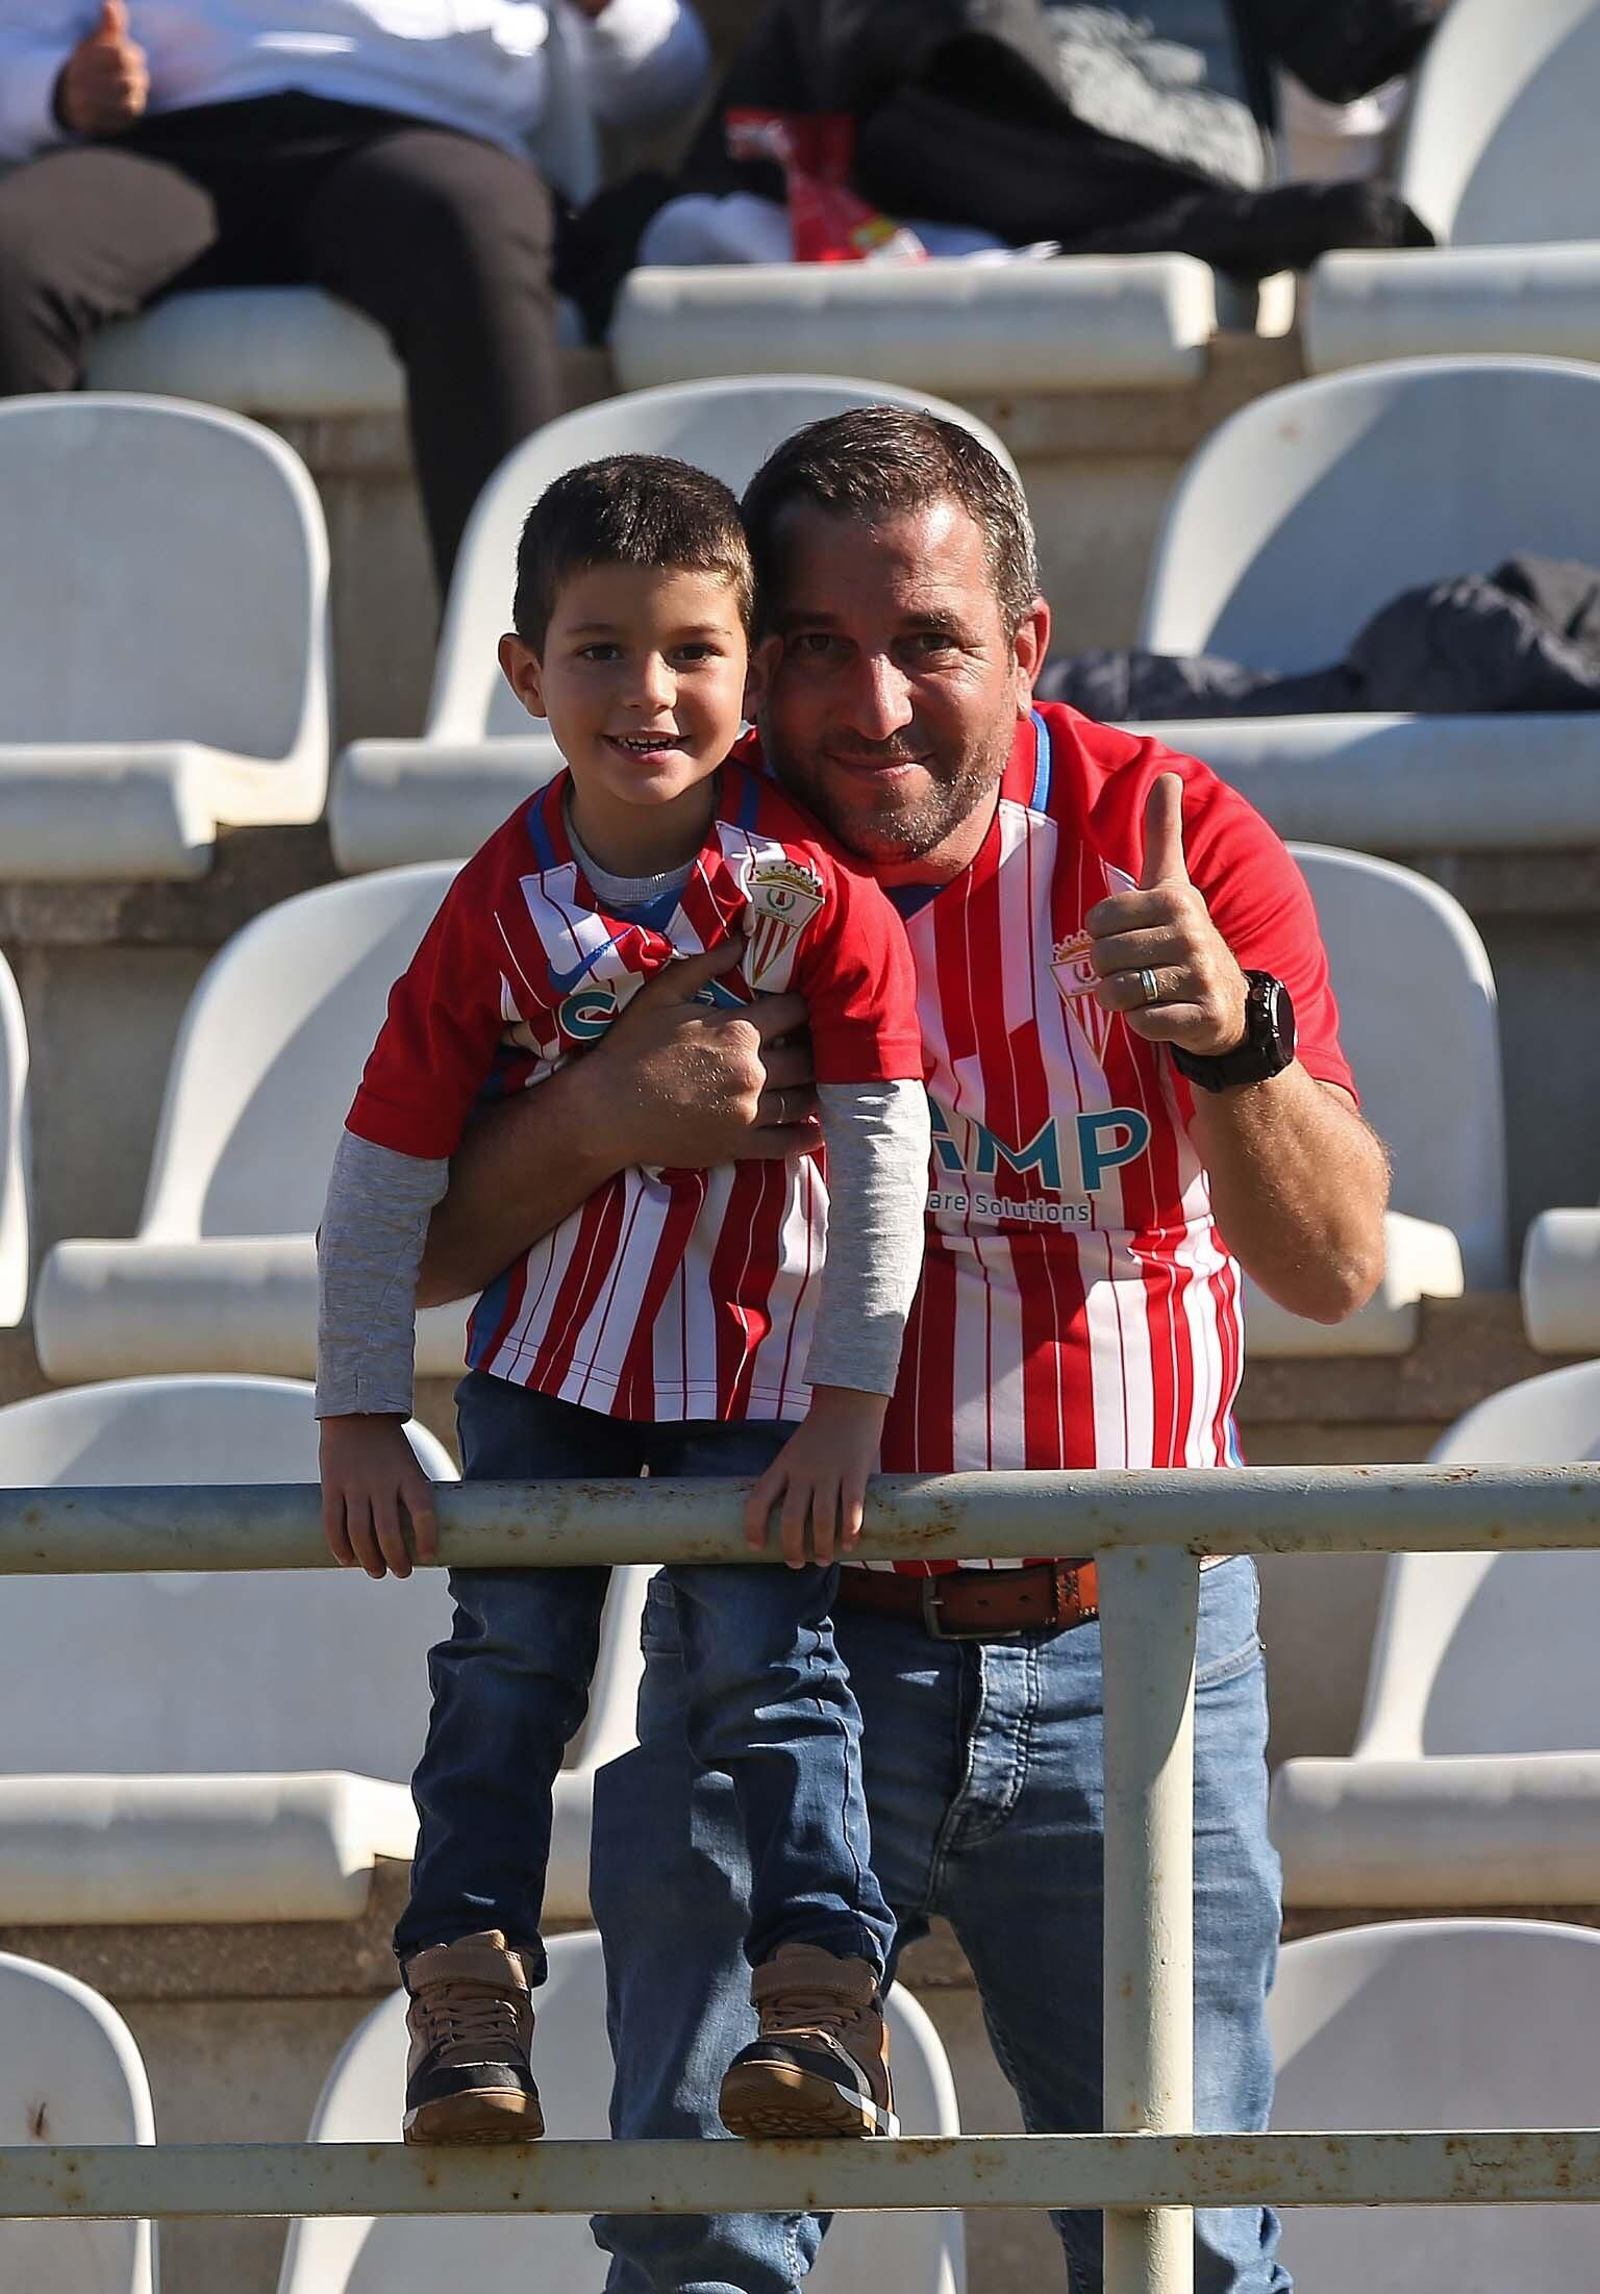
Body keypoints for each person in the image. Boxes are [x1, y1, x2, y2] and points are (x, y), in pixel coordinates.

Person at [414, 406, 1391, 2288]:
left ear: (1029, 642)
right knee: (708, 2253)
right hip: (777, 1633)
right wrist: (610, 1109)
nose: (873, 705)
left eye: (930, 641)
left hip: (1135, 1645)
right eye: (816, 649)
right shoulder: (663, 853)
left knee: (1184, 2252)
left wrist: (1235, 1048)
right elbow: (431, 1238)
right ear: (753, 660)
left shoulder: (1163, 838)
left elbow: (1335, 1262)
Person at [316, 453, 931, 2148]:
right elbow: (379, 1172)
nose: (646, 693)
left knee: (772, 1656)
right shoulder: (490, 906)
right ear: (525, 673)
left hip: (753, 1367)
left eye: (689, 650)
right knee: (507, 1656)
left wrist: (852, 1401)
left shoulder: (815, 897)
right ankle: (465, 1992)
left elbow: (890, 1150)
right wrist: (361, 1405)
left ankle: (819, 1986)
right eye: (598, 650)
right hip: (549, 1366)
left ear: (749, 673)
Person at [0, 1, 708, 586]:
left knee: (470, 230)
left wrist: (608, 10)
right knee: (14, 250)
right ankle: (31, 668)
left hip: (424, 144)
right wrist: (57, 90)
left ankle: (516, 671)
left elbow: (664, 86)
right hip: (161, 143)